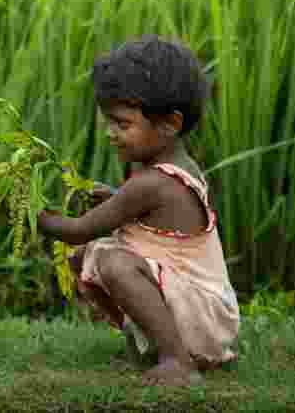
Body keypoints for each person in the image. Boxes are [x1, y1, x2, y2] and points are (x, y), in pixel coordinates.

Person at [37, 35, 239, 387]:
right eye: (109, 122)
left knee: (111, 260)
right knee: (102, 254)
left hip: (203, 317)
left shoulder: (150, 184)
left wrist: (30, 212)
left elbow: (78, 230)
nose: (110, 134)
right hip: (208, 310)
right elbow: (159, 220)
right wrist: (117, 197)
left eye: (122, 123)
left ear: (170, 124)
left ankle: (178, 361)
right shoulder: (179, 165)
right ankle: (159, 348)